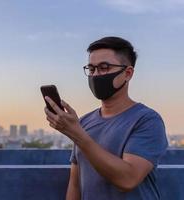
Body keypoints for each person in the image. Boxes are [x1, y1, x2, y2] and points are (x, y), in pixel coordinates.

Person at [43, 36, 168, 200]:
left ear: (128, 73)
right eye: (91, 69)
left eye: (104, 67)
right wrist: (77, 131)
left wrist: (77, 134)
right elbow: (75, 184)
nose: (95, 75)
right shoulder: (84, 122)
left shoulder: (147, 120)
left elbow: (128, 179)